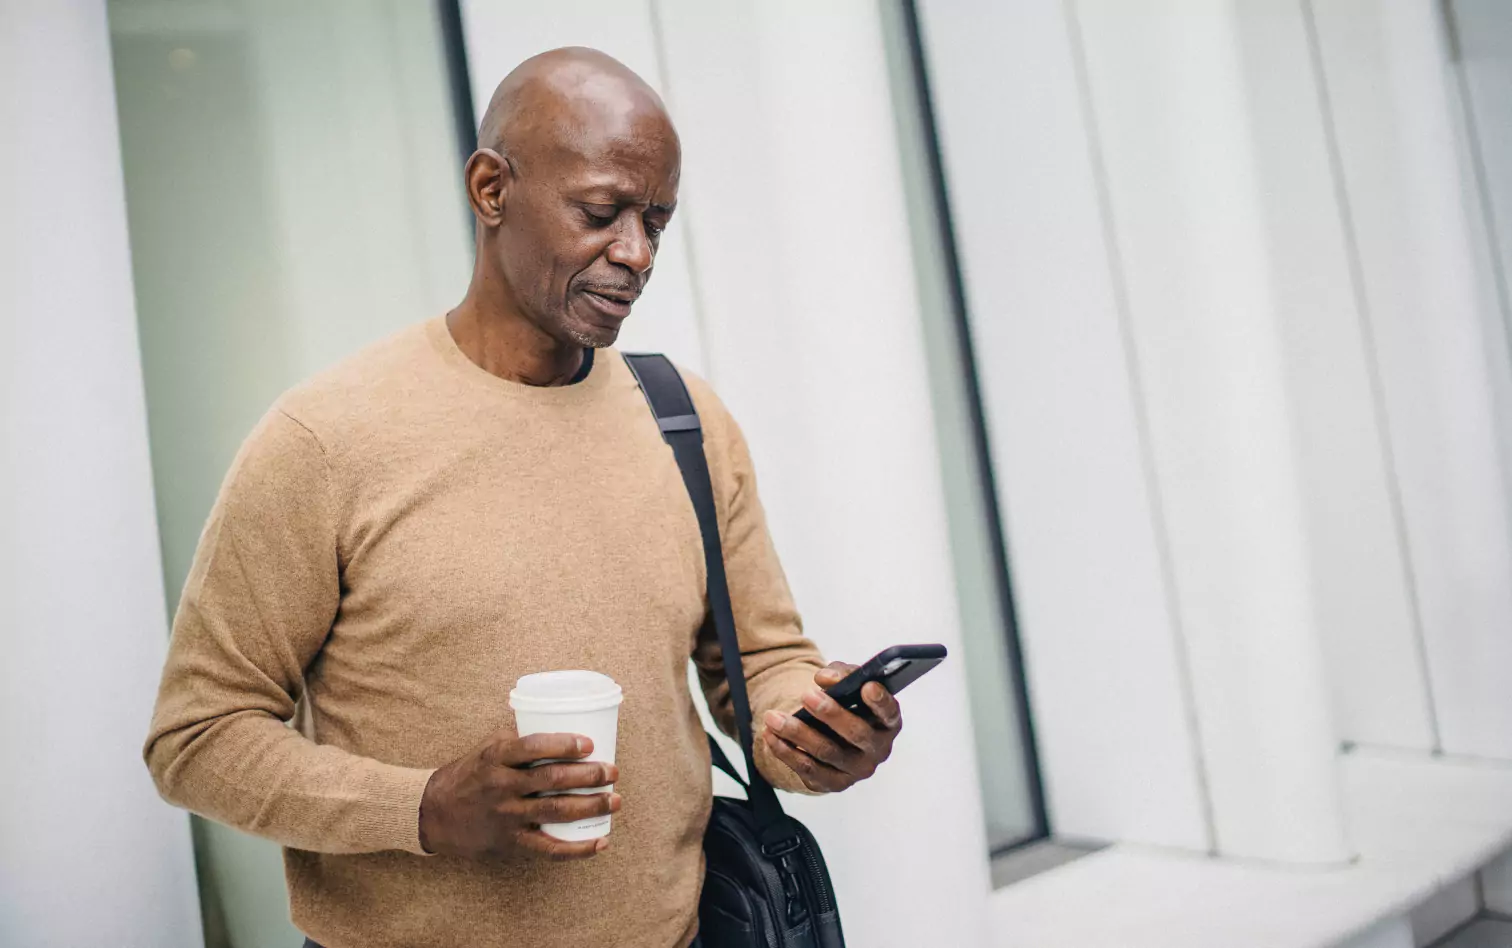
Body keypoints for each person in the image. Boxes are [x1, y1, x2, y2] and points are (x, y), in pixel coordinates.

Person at [144, 47, 904, 948]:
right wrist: (423, 807)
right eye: (600, 212)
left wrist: (811, 730)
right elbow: (198, 738)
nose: (635, 253)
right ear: (492, 189)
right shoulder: (326, 439)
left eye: (656, 222)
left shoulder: (684, 422)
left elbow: (760, 661)